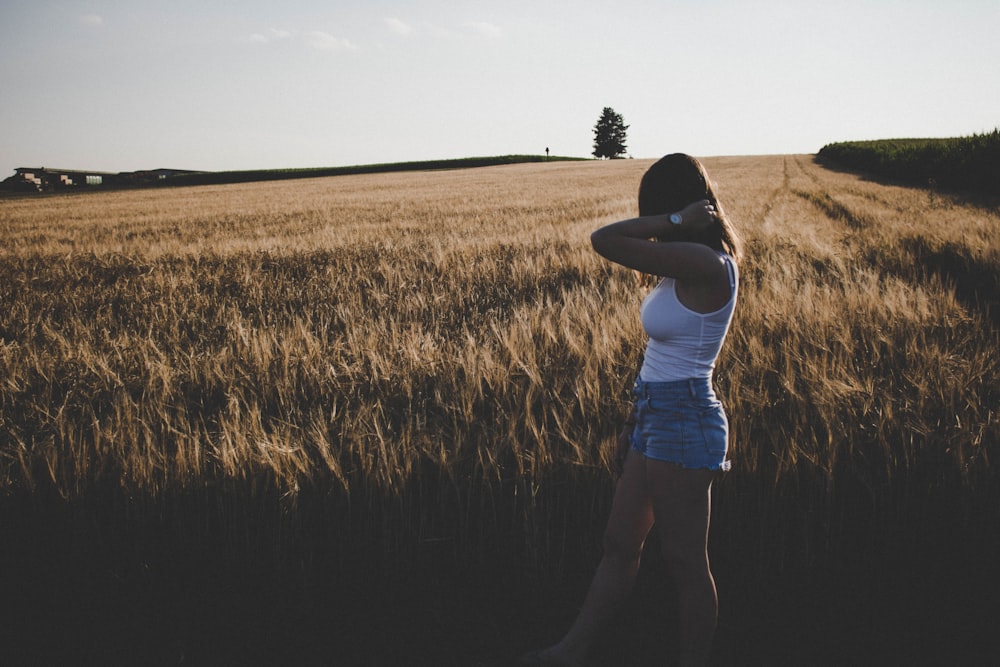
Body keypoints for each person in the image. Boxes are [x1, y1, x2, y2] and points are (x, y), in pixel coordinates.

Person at [522, 154, 743, 667]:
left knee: (686, 562)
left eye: (656, 210)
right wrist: (633, 420)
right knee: (619, 543)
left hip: (686, 422)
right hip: (655, 416)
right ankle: (571, 651)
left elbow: (604, 239)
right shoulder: (680, 265)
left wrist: (675, 223)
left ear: (675, 207)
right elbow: (658, 355)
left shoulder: (706, 264)